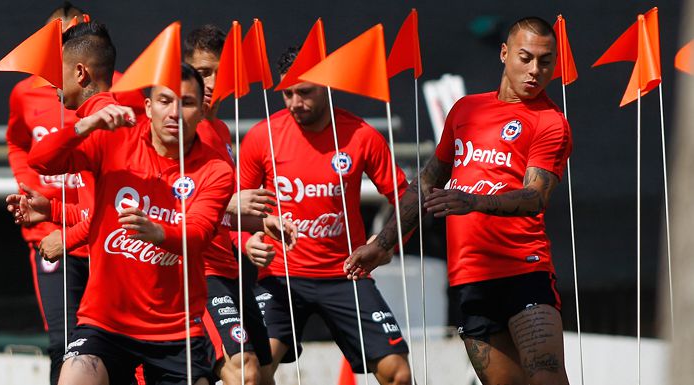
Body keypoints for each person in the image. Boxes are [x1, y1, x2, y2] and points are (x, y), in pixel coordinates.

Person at [345, 16, 572, 385]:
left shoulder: (550, 122)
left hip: (524, 270)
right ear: (504, 53)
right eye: (525, 58)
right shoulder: (466, 110)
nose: (535, 71)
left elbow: (535, 197)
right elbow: (425, 183)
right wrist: (384, 244)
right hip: (470, 278)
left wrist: (474, 202)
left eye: (545, 62)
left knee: (545, 375)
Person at [29, 58, 233, 384]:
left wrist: (157, 231)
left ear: (201, 110)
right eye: (165, 101)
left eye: (188, 103)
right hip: (106, 323)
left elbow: (198, 234)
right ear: (148, 107)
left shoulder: (216, 170)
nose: (175, 113)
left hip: (176, 329)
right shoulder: (114, 141)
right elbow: (40, 160)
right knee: (74, 377)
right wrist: (86, 125)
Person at [238, 46, 412, 385]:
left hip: (345, 273)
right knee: (251, 373)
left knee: (399, 374)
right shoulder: (262, 137)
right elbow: (232, 209)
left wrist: (388, 242)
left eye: (304, 92)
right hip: (280, 276)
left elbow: (407, 199)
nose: (294, 103)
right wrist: (248, 241)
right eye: (287, 94)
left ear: (327, 86)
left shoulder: (361, 135)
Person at [183, 24, 280, 385]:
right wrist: (230, 204)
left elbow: (226, 213)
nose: (211, 84)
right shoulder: (181, 130)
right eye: (203, 73)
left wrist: (261, 227)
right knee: (245, 371)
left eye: (219, 75)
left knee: (264, 374)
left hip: (232, 271)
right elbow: (170, 198)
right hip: (199, 272)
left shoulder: (221, 130)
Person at [3, 4, 90, 383]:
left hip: (99, 235)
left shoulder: (115, 90)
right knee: (64, 341)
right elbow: (16, 143)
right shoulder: (25, 92)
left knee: (107, 341)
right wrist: (30, 183)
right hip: (49, 233)